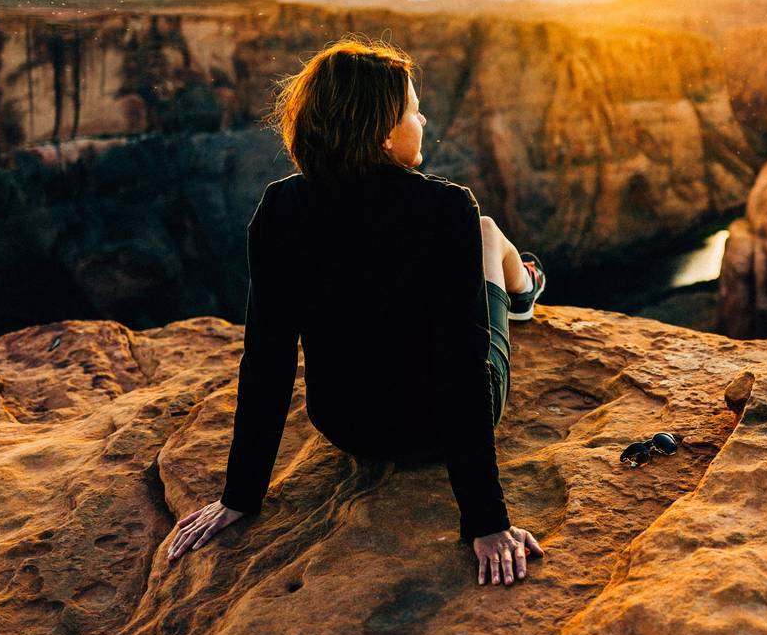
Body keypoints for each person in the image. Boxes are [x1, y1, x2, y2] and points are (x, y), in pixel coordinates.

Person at [165, 36, 546, 588]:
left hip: (347, 426)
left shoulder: (281, 207)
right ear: (386, 131)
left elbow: (267, 361)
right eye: (414, 111)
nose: (423, 119)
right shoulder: (447, 208)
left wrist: (240, 496)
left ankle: (523, 283)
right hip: (436, 430)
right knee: (488, 234)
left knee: (478, 236)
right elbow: (464, 372)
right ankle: (526, 287)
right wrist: (486, 522)